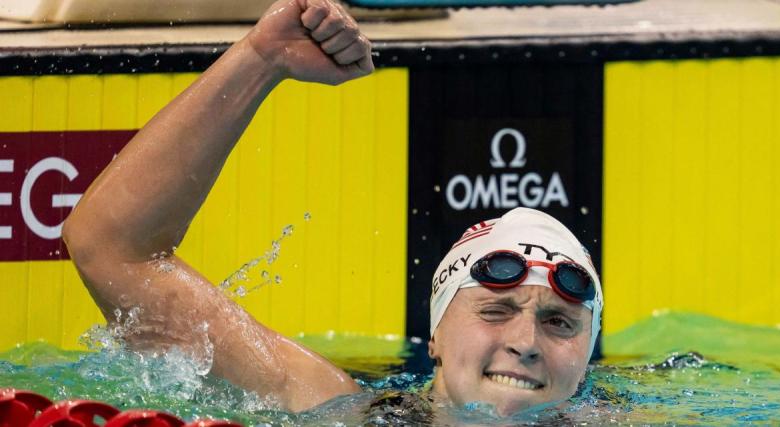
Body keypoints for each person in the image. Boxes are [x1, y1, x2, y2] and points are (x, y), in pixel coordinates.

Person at [62, 0, 603, 418]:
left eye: (560, 323)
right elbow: (111, 249)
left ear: (585, 358)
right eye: (495, 309)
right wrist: (260, 58)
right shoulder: (330, 412)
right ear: (433, 338)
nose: (526, 343)